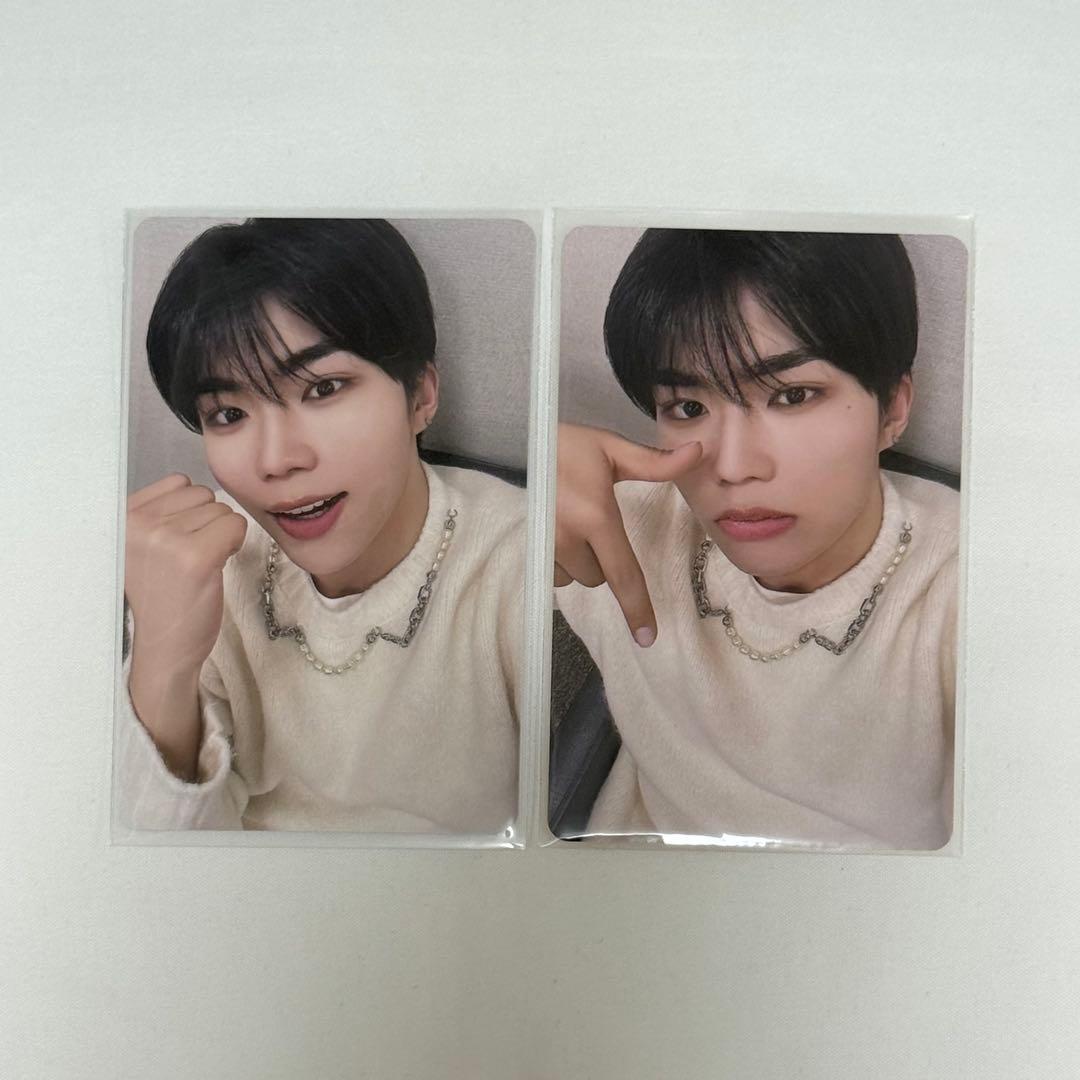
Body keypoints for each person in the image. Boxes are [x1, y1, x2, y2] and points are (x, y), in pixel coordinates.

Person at [554, 229, 959, 849]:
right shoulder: (623, 524)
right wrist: (539, 473)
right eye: (688, 407)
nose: (734, 467)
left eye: (792, 395)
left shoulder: (967, 587)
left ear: (894, 409)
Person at [117, 218, 524, 834]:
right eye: (228, 413)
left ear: (420, 396)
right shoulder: (202, 562)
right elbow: (154, 860)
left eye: (323, 388)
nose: (276, 460)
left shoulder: (518, 561)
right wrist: (162, 661)